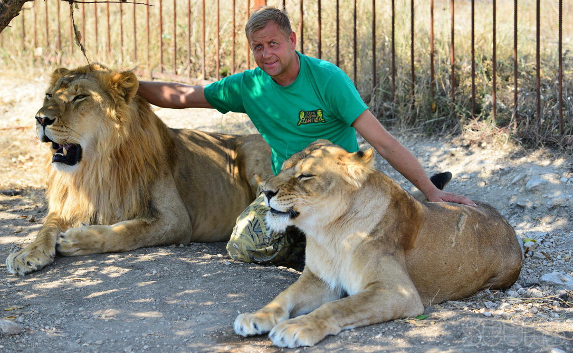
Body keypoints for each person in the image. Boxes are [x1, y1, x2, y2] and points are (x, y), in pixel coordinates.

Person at [137, 6, 476, 265]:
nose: (266, 54)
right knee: (243, 246)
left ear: (292, 40)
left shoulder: (327, 79)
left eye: (273, 43)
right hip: (287, 192)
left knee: (374, 254)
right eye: (258, 47)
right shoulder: (248, 87)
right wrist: (127, 85)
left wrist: (429, 190)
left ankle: (347, 236)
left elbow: (383, 141)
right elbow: (183, 96)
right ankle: (309, 250)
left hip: (335, 189)